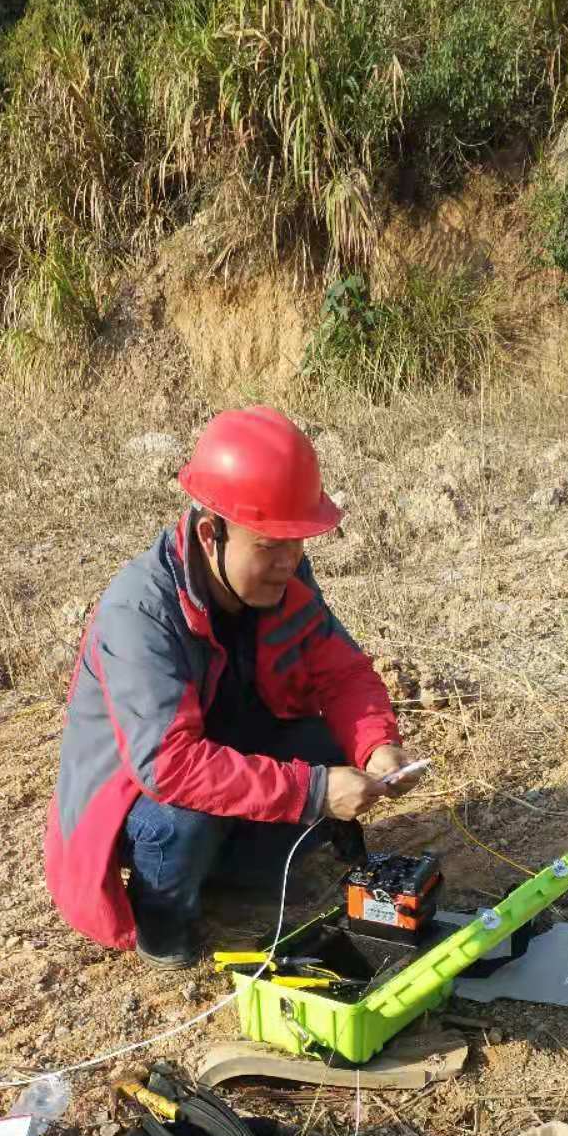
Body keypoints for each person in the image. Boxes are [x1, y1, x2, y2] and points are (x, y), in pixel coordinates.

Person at [44, 405, 423, 965]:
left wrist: (378, 746)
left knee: (335, 746)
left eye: (297, 544)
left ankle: (235, 875)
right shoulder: (140, 611)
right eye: (269, 546)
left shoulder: (284, 580)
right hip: (144, 800)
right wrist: (314, 792)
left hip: (227, 762)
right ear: (209, 533)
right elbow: (169, 767)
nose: (287, 563)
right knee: (184, 819)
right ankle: (164, 923)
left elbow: (341, 671)